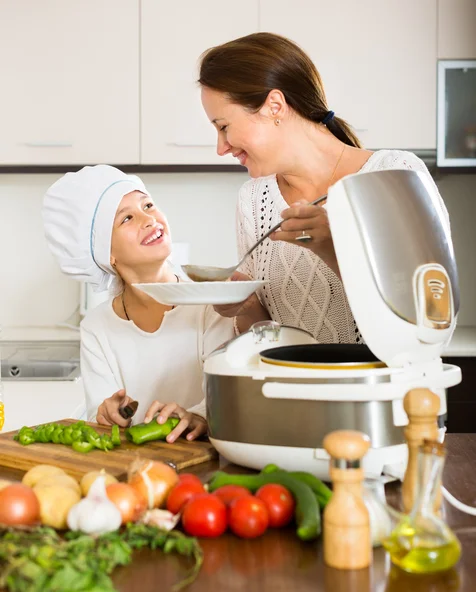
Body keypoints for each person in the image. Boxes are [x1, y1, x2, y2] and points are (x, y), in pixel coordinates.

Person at [198, 32, 451, 343]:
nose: (221, 148)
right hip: (290, 390)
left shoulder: (395, 174)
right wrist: (247, 305)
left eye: (224, 127)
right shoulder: (253, 200)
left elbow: (433, 322)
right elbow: (268, 341)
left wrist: (336, 247)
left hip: (380, 391)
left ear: (274, 106)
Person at [43, 165, 235, 442]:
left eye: (148, 204)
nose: (149, 219)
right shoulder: (97, 328)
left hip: (204, 457)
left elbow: (226, 395)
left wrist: (198, 416)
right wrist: (108, 412)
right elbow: (101, 414)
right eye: (127, 218)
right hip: (134, 467)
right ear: (104, 253)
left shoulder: (211, 303)